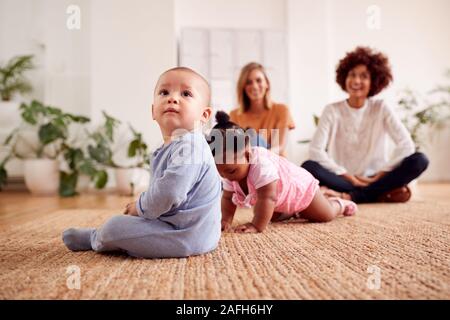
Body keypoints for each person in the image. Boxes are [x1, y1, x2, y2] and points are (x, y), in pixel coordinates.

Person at [62, 67, 221, 258]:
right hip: (179, 227)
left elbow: (169, 193)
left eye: (186, 94)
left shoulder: (191, 146)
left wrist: (139, 207)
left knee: (115, 227)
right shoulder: (171, 147)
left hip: (187, 235)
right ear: (153, 111)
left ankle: (96, 238)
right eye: (164, 92)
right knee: (126, 226)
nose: (173, 98)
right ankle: (126, 239)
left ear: (204, 115)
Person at [301, 47, 429, 203]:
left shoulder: (381, 108)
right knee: (309, 166)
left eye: (363, 76)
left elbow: (406, 145)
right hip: (343, 179)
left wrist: (378, 176)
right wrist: (348, 176)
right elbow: (315, 150)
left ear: (373, 81)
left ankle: (354, 195)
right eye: (352, 75)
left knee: (420, 160)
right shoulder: (332, 110)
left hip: (375, 178)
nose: (356, 81)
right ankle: (376, 194)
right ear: (344, 78)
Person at [207, 111, 357, 234]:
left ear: (247, 155)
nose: (225, 176)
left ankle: (340, 204)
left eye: (230, 171)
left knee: (324, 215)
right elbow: (227, 198)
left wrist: (256, 225)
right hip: (280, 198)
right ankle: (291, 212)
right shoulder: (229, 171)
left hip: (300, 188)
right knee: (272, 216)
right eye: (220, 172)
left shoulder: (261, 165)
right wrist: (225, 220)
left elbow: (267, 197)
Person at [229, 62, 295, 156]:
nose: (254, 86)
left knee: (255, 140)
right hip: (246, 165)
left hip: (273, 163)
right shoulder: (234, 115)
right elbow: (233, 150)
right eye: (248, 82)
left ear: (267, 84)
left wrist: (256, 155)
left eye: (259, 80)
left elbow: (279, 147)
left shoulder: (281, 110)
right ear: (243, 87)